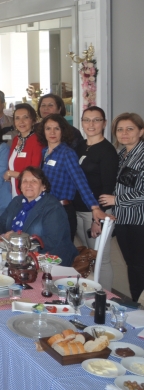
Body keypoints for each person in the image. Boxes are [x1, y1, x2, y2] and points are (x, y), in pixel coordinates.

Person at [0, 167, 77, 266]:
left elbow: (52, 241)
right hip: (18, 255)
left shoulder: (53, 208)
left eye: (34, 181)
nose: (28, 185)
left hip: (48, 261)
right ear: (21, 186)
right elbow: (2, 220)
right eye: (25, 181)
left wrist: (18, 239)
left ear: (43, 186)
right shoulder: (17, 201)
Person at [38, 113, 105, 240]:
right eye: (48, 128)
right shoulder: (44, 152)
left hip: (61, 211)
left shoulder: (67, 153)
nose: (52, 132)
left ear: (63, 131)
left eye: (57, 128)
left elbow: (80, 181)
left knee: (62, 254)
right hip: (45, 208)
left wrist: (94, 207)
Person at [99, 113, 144, 300]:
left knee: (139, 267)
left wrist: (116, 200)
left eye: (130, 129)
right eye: (120, 129)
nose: (124, 133)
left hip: (139, 221)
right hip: (123, 219)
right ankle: (136, 303)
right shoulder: (122, 155)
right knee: (132, 266)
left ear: (141, 131)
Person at [74, 106, 118, 289]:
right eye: (87, 120)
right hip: (78, 209)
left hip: (95, 213)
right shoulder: (80, 146)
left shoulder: (107, 152)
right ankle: (90, 290)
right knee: (88, 253)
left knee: (101, 258)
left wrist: (97, 219)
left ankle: (104, 299)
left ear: (104, 123)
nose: (91, 124)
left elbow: (108, 189)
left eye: (96, 120)